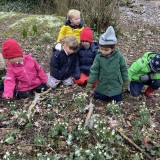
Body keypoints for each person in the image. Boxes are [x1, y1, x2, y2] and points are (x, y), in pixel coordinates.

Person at [86, 26, 128, 102]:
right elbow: (94, 70)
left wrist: (126, 81)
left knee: (116, 99)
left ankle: (115, 95)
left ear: (113, 48)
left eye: (106, 50)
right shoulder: (98, 57)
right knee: (98, 97)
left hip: (115, 85)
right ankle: (102, 94)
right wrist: (90, 83)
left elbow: (124, 69)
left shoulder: (119, 56)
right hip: (102, 85)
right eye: (101, 49)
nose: (103, 51)